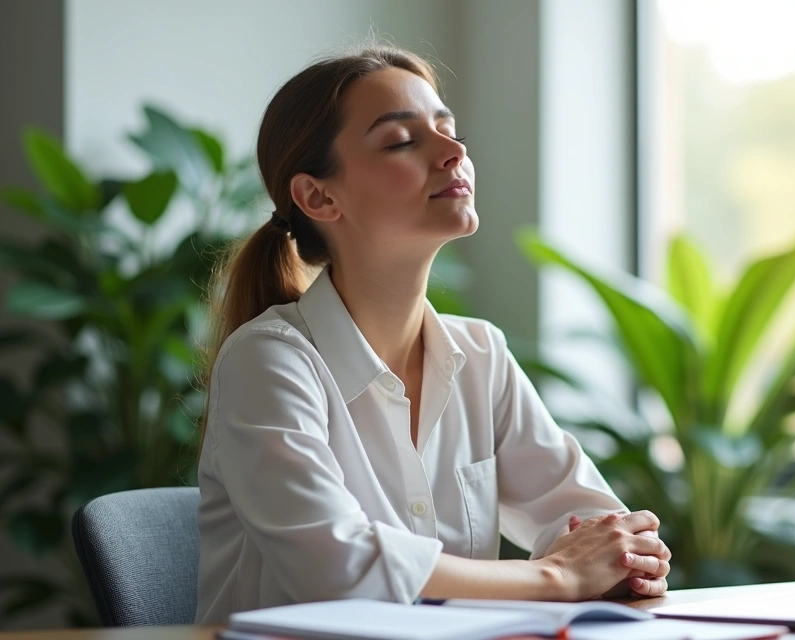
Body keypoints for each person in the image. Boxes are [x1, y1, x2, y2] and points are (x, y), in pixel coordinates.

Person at [194, 46, 670, 625]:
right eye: (401, 141)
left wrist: (617, 558)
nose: (455, 152)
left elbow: (602, 531)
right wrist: (557, 576)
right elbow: (338, 571)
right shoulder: (268, 362)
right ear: (319, 196)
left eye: (448, 130)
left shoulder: (480, 356)